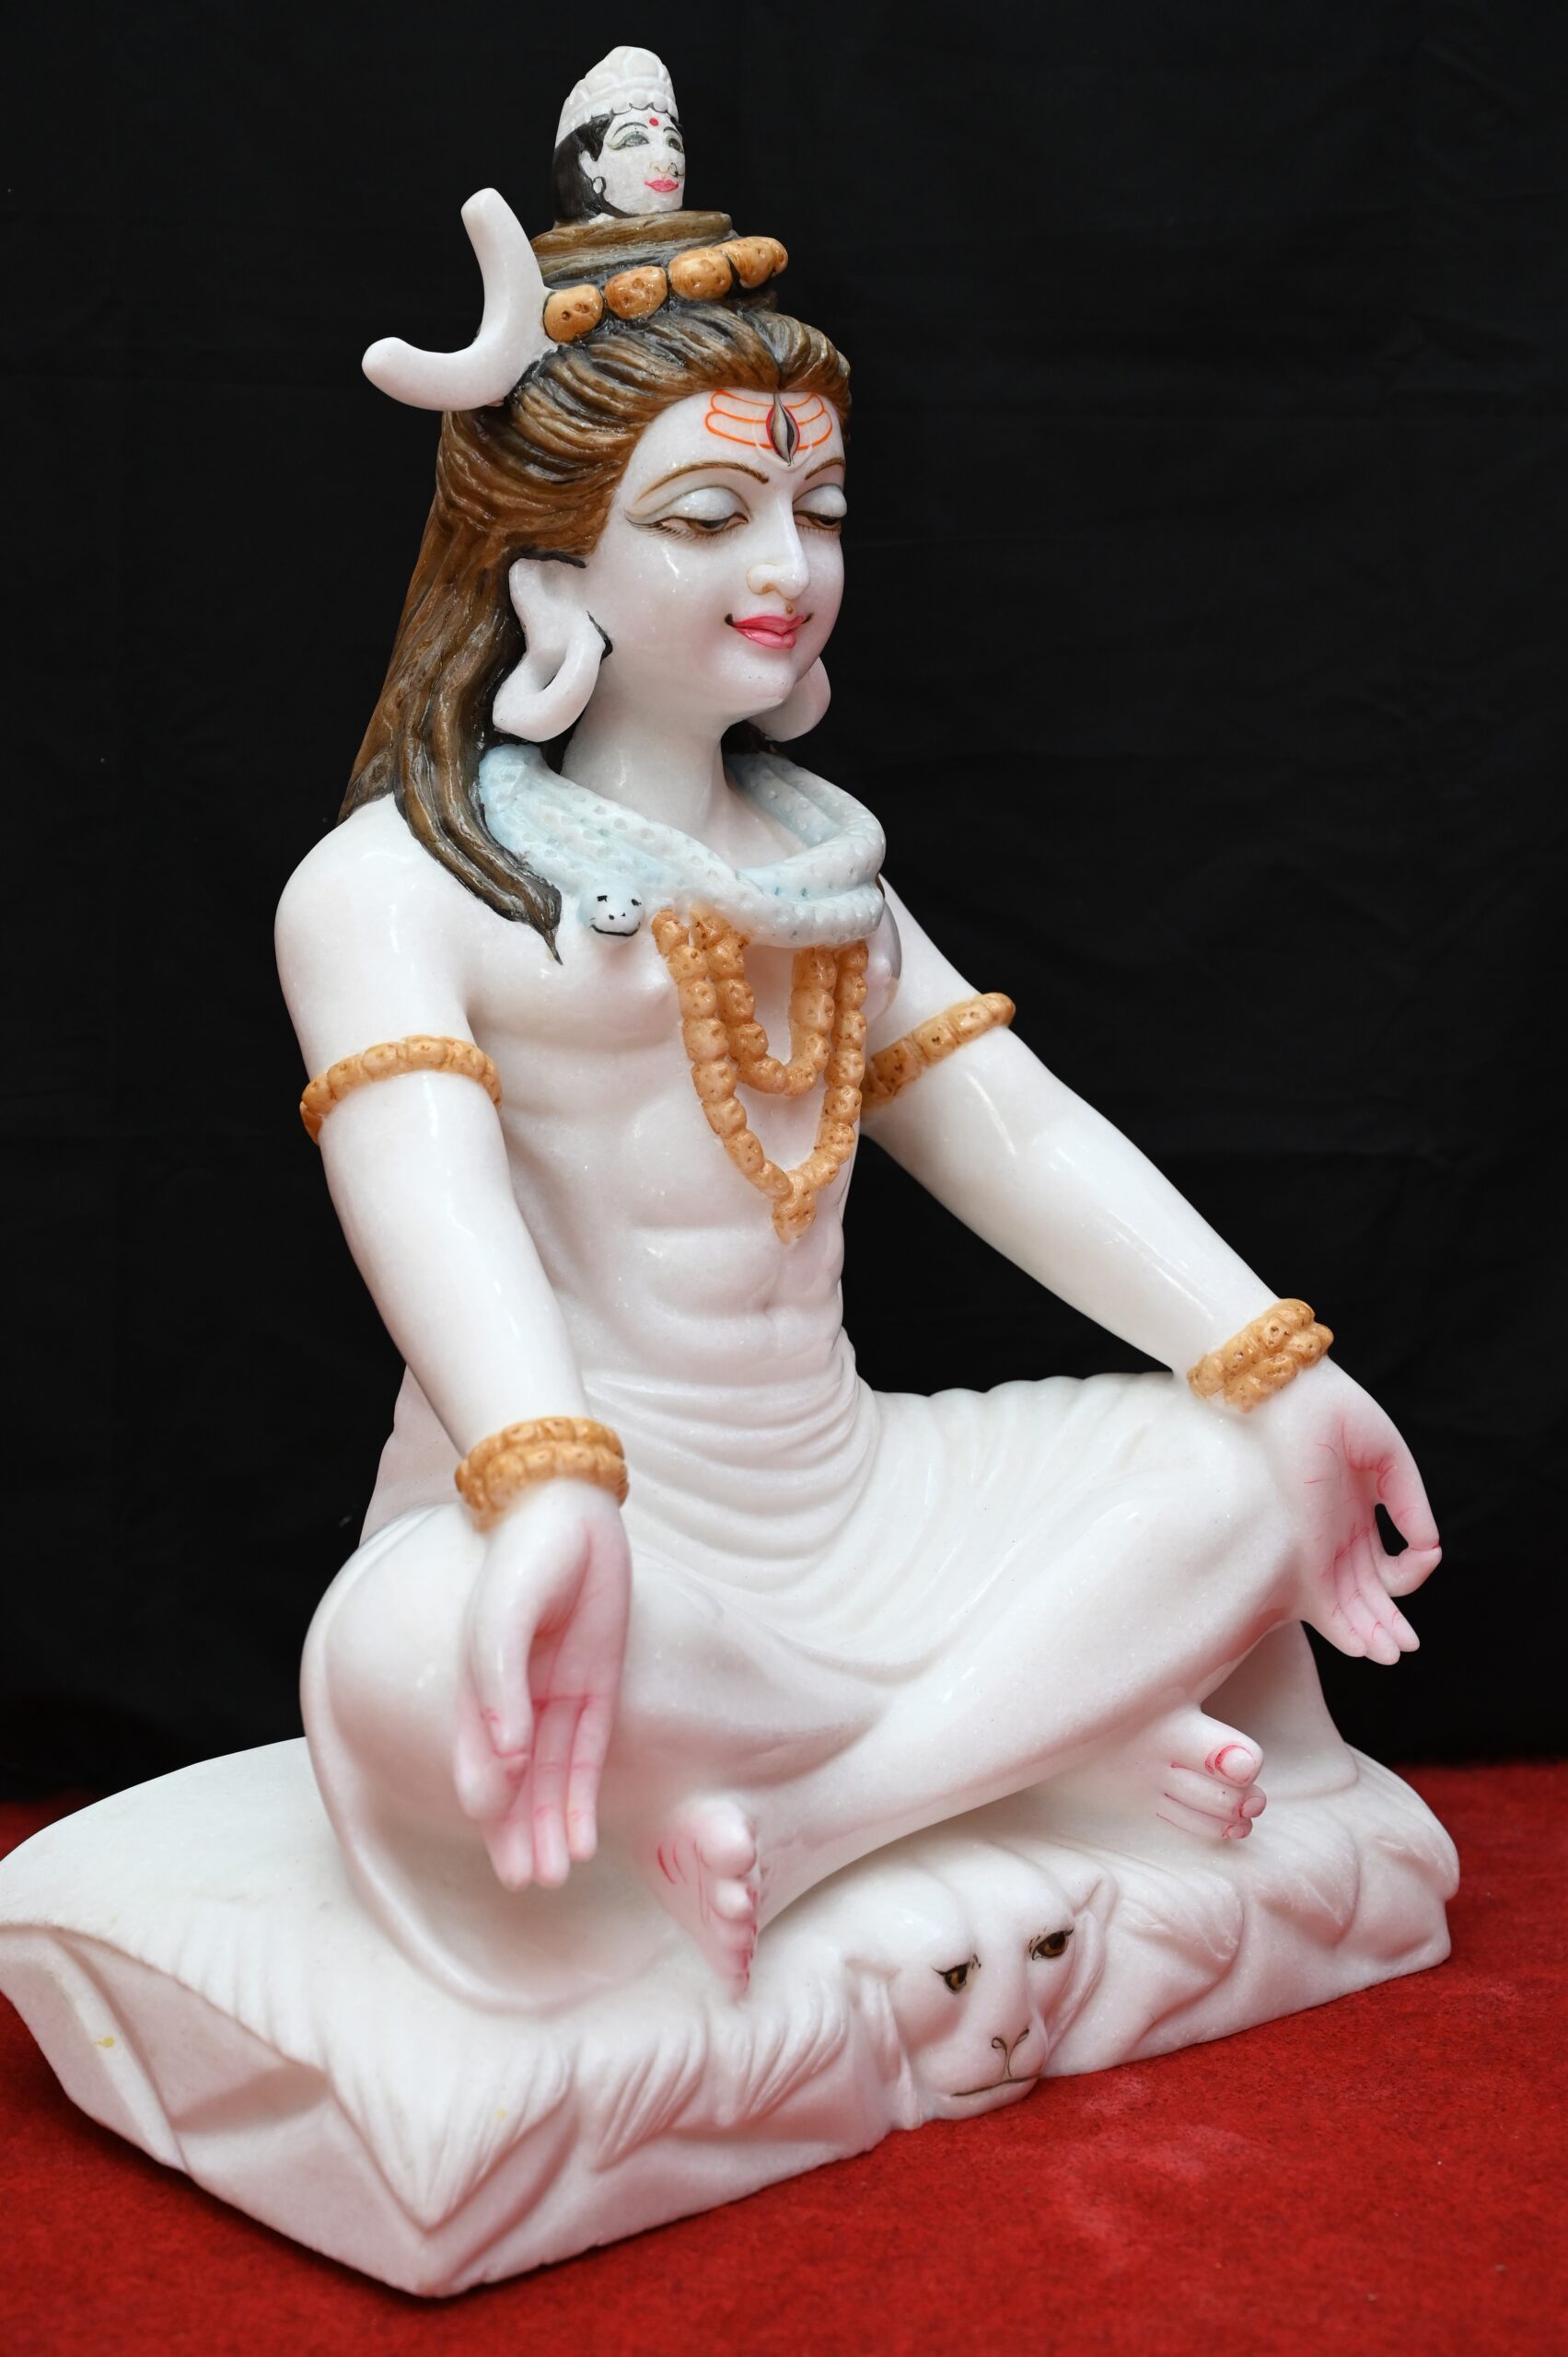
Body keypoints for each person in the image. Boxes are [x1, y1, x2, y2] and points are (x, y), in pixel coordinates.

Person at [277, 130, 1440, 2009]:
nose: (788, 568)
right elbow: (424, 1193)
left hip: (863, 1504)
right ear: (546, 566)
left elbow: (1010, 1127)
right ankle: (1045, 1732)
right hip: (586, 1533)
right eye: (708, 515)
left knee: (1242, 1467)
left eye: (816, 510)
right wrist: (548, 1478)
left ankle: (838, 1810)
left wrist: (1267, 1352)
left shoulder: (825, 872)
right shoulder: (394, 890)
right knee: (427, 1650)